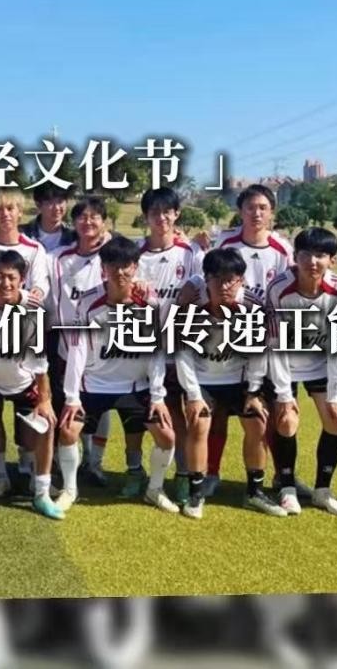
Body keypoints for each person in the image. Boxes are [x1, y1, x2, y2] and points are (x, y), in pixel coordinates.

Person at [56, 236, 178, 514]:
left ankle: (154, 490)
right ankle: (70, 490)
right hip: (93, 385)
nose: (120, 272)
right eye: (113, 265)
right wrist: (72, 398)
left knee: (167, 436)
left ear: (135, 267)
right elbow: (77, 351)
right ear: (103, 268)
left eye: (126, 265)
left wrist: (158, 397)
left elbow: (156, 353)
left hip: (134, 386)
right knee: (68, 431)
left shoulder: (150, 303)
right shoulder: (88, 303)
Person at [204, 183, 296, 499]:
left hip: (266, 342)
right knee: (217, 413)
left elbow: (288, 290)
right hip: (227, 338)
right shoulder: (225, 242)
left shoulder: (282, 249)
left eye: (263, 208)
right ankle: (211, 474)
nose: (256, 213)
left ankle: (281, 477)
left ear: (272, 213)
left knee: (268, 413)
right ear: (240, 211)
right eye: (250, 207)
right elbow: (207, 275)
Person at [174, 248, 277, 519]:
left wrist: (254, 392)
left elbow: (258, 354)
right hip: (203, 380)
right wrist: (193, 395)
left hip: (238, 379)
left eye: (231, 279)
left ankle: (254, 492)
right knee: (199, 423)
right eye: (217, 279)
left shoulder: (252, 308)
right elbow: (183, 356)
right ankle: (196, 493)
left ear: (241, 280)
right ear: (205, 280)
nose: (224, 286)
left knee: (257, 422)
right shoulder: (191, 309)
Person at [0, 249, 61, 520]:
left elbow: (39, 359)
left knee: (46, 423)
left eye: (11, 277)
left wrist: (44, 400)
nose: (5, 283)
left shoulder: (33, 308)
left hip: (23, 379)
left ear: (22, 279)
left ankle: (41, 492)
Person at [263, 227, 337, 515]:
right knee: (286, 422)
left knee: (335, 421)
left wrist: (334, 395)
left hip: (322, 365)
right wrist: (283, 395)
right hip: (285, 366)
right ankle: (287, 487)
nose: (312, 262)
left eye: (320, 255)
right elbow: (274, 345)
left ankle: (322, 490)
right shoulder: (279, 288)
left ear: (332, 260)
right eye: (305, 254)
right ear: (295, 257)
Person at [135, 187, 203, 504]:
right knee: (159, 412)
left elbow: (206, 277)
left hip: (184, 346)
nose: (161, 218)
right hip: (148, 347)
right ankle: (140, 472)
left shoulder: (190, 252)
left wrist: (193, 283)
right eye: (154, 212)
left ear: (176, 214)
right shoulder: (136, 254)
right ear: (146, 217)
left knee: (190, 411)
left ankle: (186, 475)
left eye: (167, 211)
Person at [48, 197, 118, 494]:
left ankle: (95, 462)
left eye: (95, 217)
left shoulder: (114, 254)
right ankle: (66, 467)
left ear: (104, 221)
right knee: (67, 406)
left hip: (105, 349)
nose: (88, 222)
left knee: (101, 408)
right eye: (82, 217)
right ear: (73, 222)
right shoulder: (57, 258)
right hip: (68, 348)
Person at [21, 183, 77, 251]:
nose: (56, 208)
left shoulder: (74, 236)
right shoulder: (23, 234)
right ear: (38, 205)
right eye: (50, 202)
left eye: (60, 201)